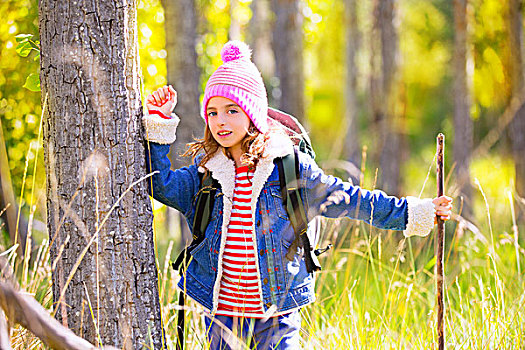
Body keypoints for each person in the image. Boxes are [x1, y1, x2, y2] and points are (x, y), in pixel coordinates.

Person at [142, 41, 452, 349]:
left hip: (278, 306)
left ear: (252, 113)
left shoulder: (287, 166)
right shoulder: (205, 173)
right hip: (223, 312)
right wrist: (159, 125)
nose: (221, 120)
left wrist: (415, 212)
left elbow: (349, 198)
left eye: (232, 110)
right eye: (212, 112)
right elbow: (162, 185)